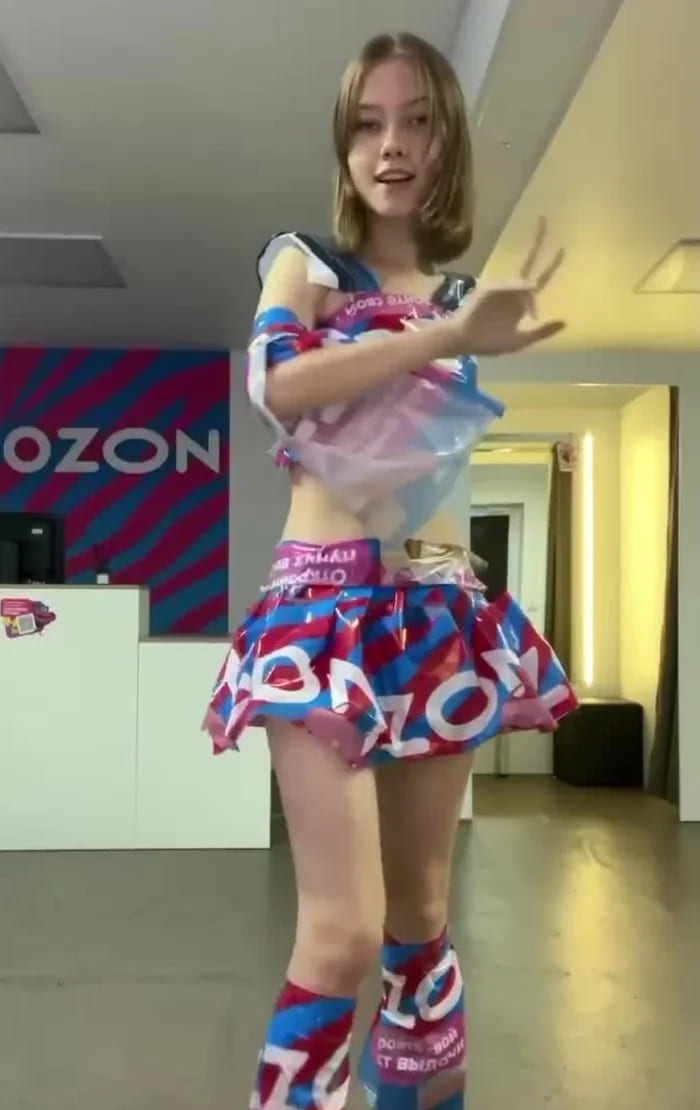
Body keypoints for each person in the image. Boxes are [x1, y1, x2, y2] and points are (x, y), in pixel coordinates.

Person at [204, 31, 578, 1110]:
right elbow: (278, 382)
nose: (392, 145)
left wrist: (462, 326)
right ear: (343, 142)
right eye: (367, 124)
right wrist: (443, 335)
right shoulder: (309, 264)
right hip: (321, 611)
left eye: (417, 121)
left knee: (420, 921)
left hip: (438, 616)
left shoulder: (459, 290)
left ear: (447, 140)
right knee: (344, 931)